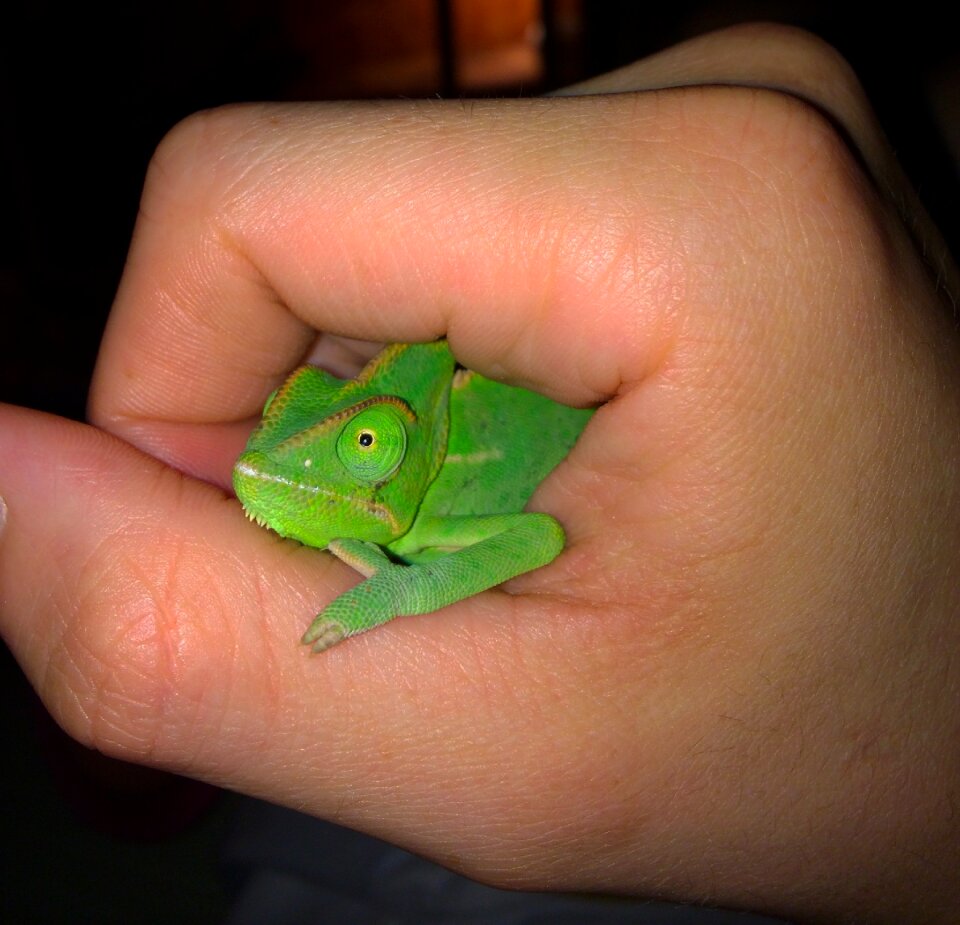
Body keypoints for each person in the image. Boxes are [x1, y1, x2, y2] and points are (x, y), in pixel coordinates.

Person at [0, 23, 957, 924]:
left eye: (367, 447)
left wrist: (403, 594)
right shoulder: (371, 462)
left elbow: (538, 535)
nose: (308, 456)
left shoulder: (434, 504)